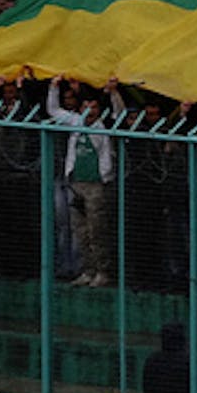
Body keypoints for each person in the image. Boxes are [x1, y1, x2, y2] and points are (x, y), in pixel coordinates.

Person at [45, 75, 125, 287]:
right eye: (86, 107)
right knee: (80, 231)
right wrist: (54, 87)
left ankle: (102, 271)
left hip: (96, 185)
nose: (90, 111)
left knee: (97, 230)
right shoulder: (75, 122)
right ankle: (87, 270)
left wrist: (114, 93)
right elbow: (53, 110)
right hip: (76, 184)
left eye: (94, 107)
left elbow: (120, 113)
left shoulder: (105, 125)